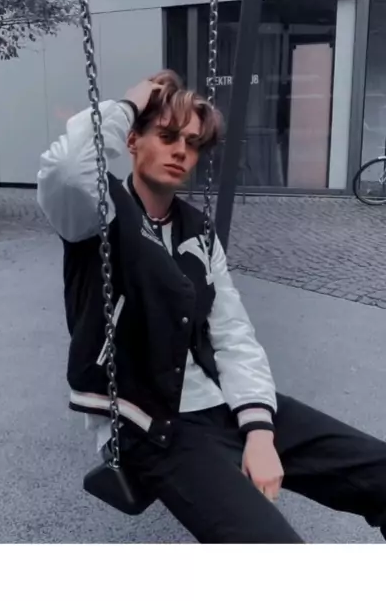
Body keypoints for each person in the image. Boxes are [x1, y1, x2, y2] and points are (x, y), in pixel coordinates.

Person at [37, 70, 386, 543]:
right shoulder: (96, 213)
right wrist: (131, 102)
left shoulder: (198, 231)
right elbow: (66, 166)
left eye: (193, 142)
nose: (181, 151)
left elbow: (231, 331)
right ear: (132, 141)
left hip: (223, 403)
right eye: (166, 136)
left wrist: (259, 431)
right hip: (151, 423)